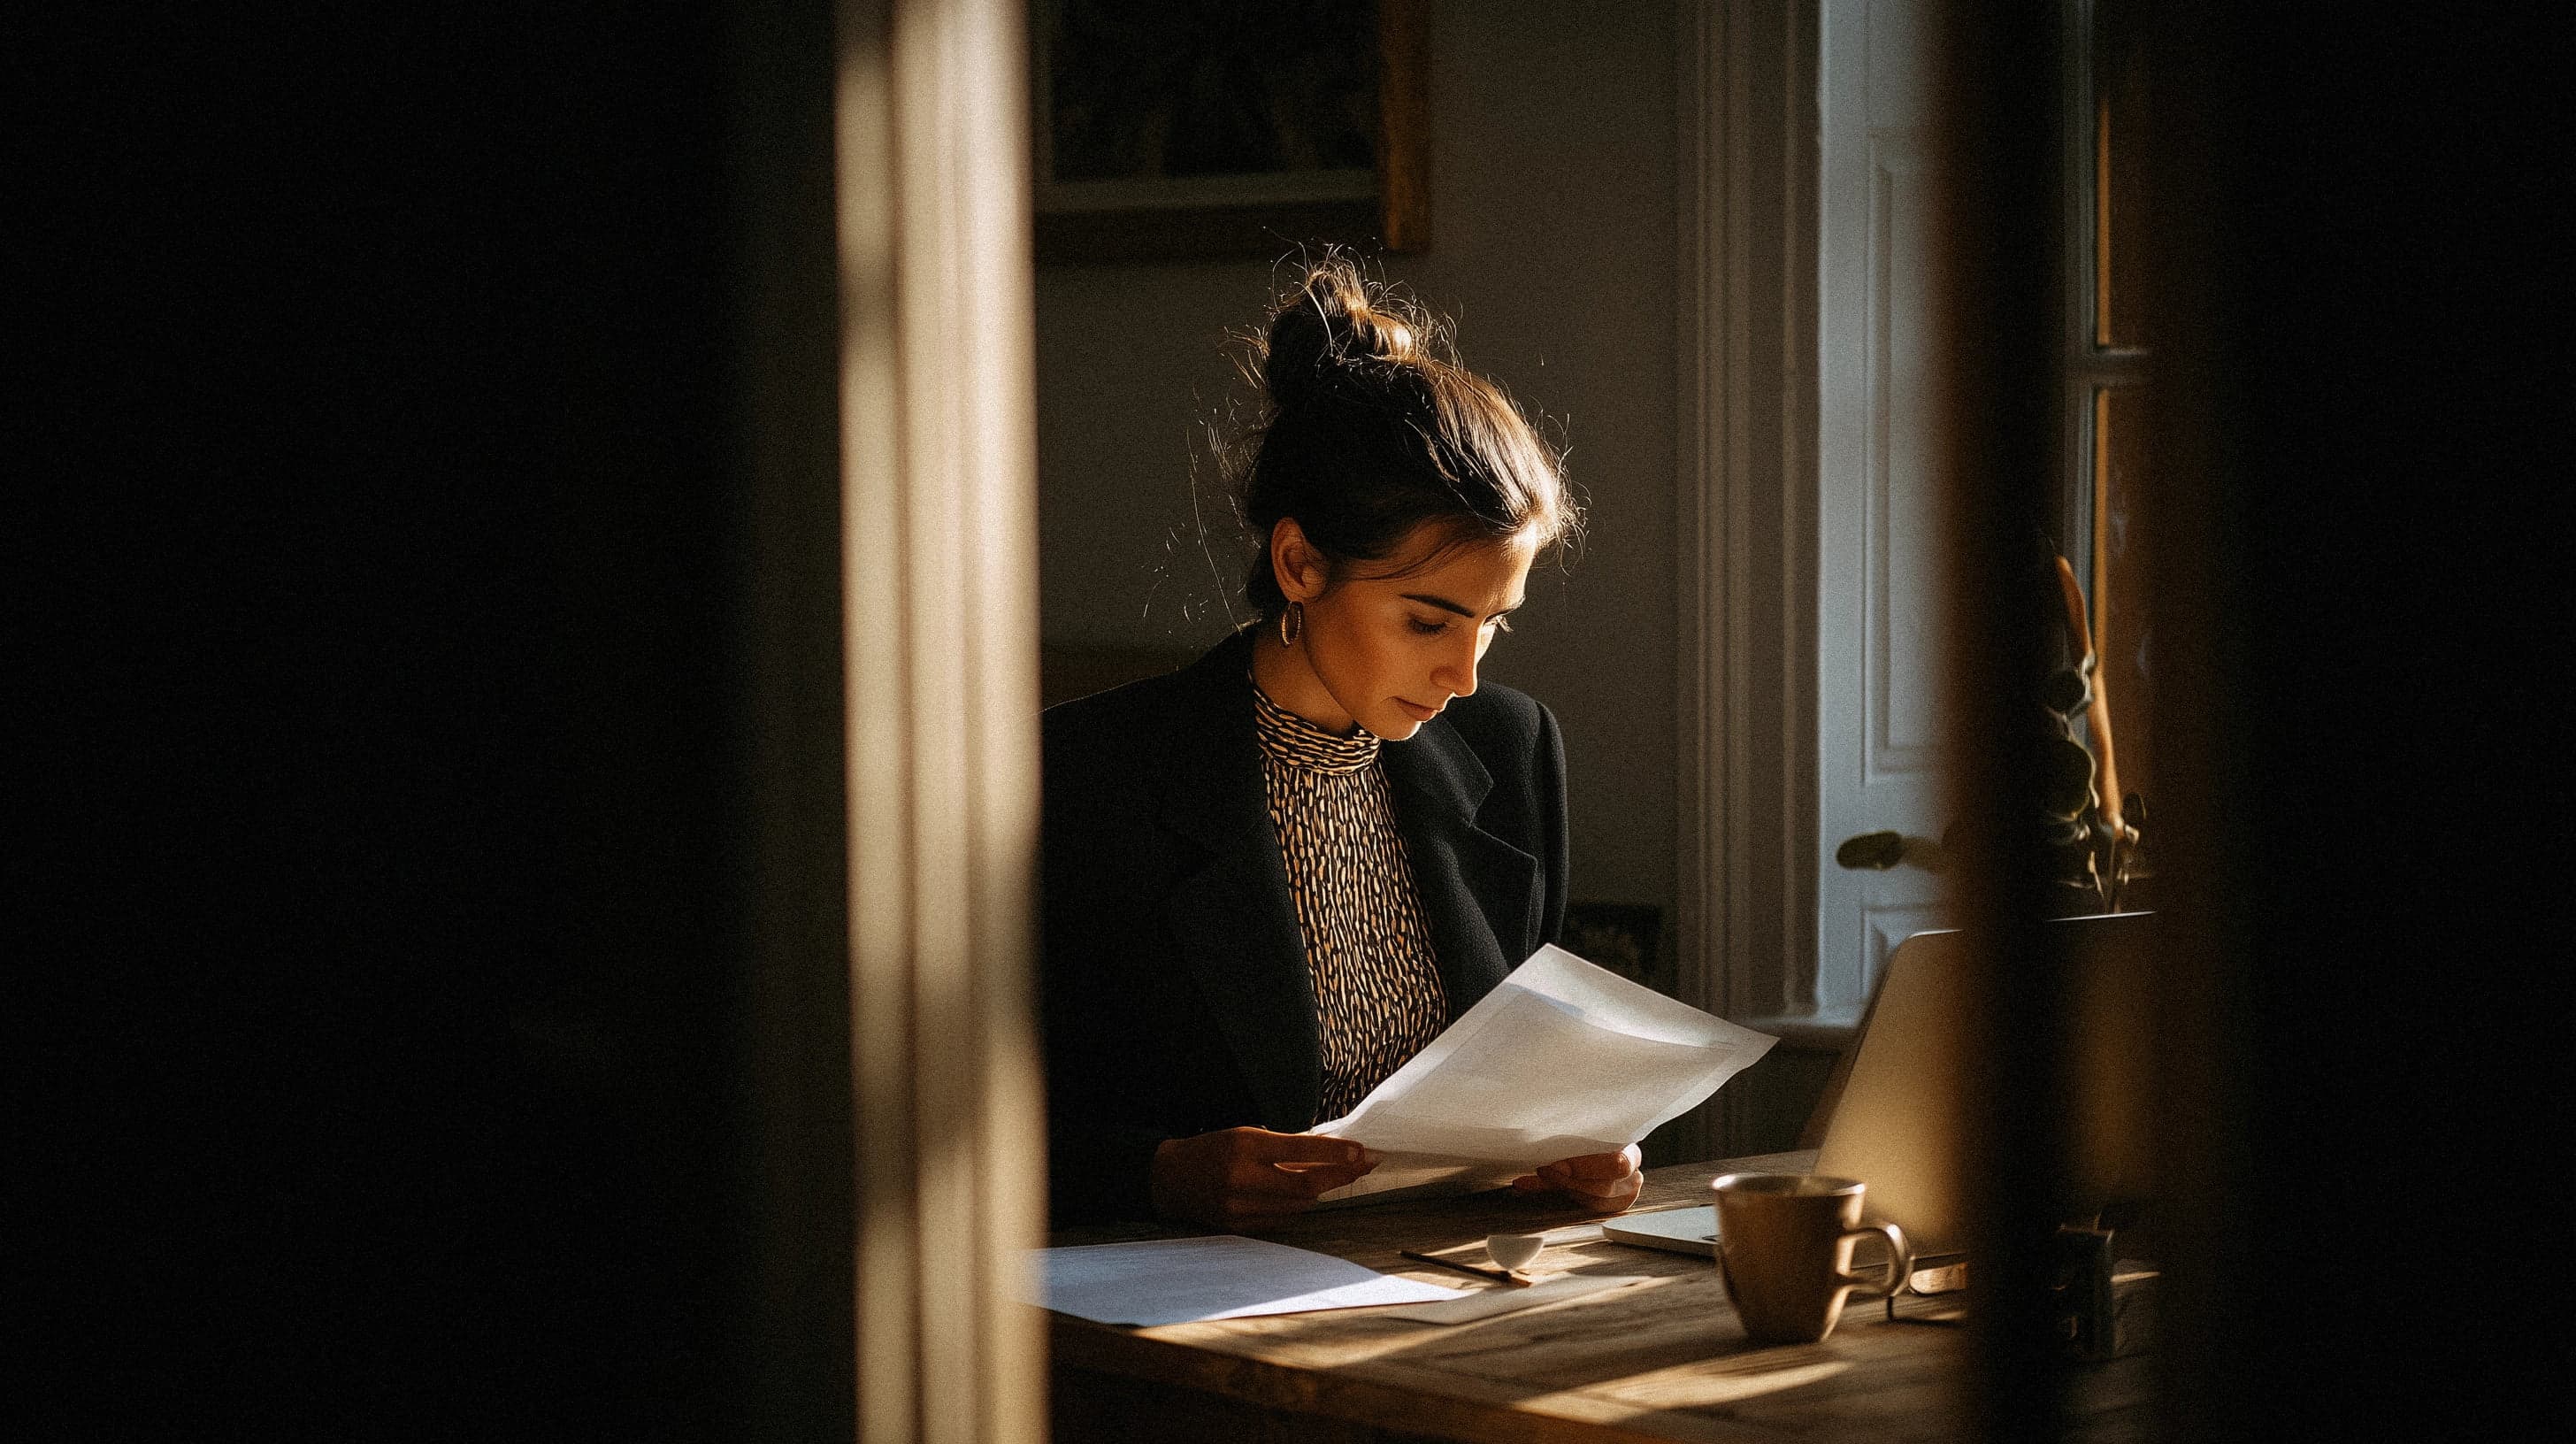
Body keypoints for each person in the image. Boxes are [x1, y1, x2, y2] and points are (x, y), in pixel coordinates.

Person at [1040, 260, 1642, 1230]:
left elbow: (1532, 1076)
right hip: (1187, 1321)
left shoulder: (1512, 747)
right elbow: (951, 1128)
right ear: (1298, 564)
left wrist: (1581, 1151)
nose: (1465, 675)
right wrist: (1157, 1173)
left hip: (1449, 1293)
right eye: (1427, 621)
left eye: (1494, 623)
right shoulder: (1084, 778)